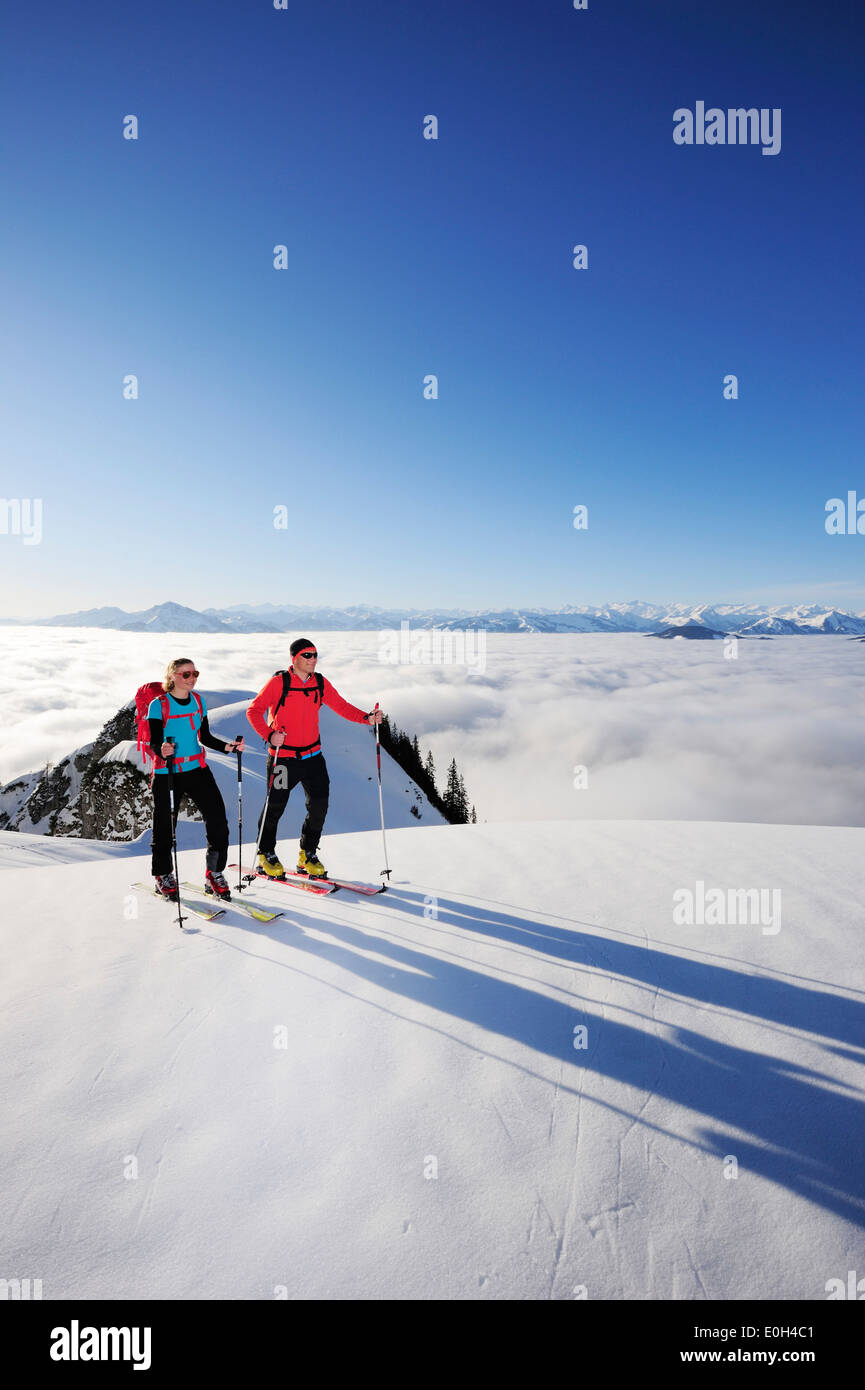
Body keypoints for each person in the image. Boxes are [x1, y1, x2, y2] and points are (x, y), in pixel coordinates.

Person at [246, 638, 382, 878]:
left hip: (313, 757)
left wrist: (366, 718)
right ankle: (265, 853)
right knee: (275, 807)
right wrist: (269, 734)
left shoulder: (319, 683)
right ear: (294, 658)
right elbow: (254, 710)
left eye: (315, 654)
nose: (313, 659)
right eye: (307, 655)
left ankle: (307, 854)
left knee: (319, 805)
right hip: (283, 759)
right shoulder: (279, 683)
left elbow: (341, 706)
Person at [148, 658, 244, 900]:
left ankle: (214, 872)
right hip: (167, 772)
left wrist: (228, 747)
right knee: (164, 828)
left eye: (195, 673)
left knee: (218, 821)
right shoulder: (158, 705)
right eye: (185, 674)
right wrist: (162, 750)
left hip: (197, 769)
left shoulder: (198, 702)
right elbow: (154, 742)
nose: (191, 678)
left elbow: (206, 737)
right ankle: (163, 874)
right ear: (172, 677)